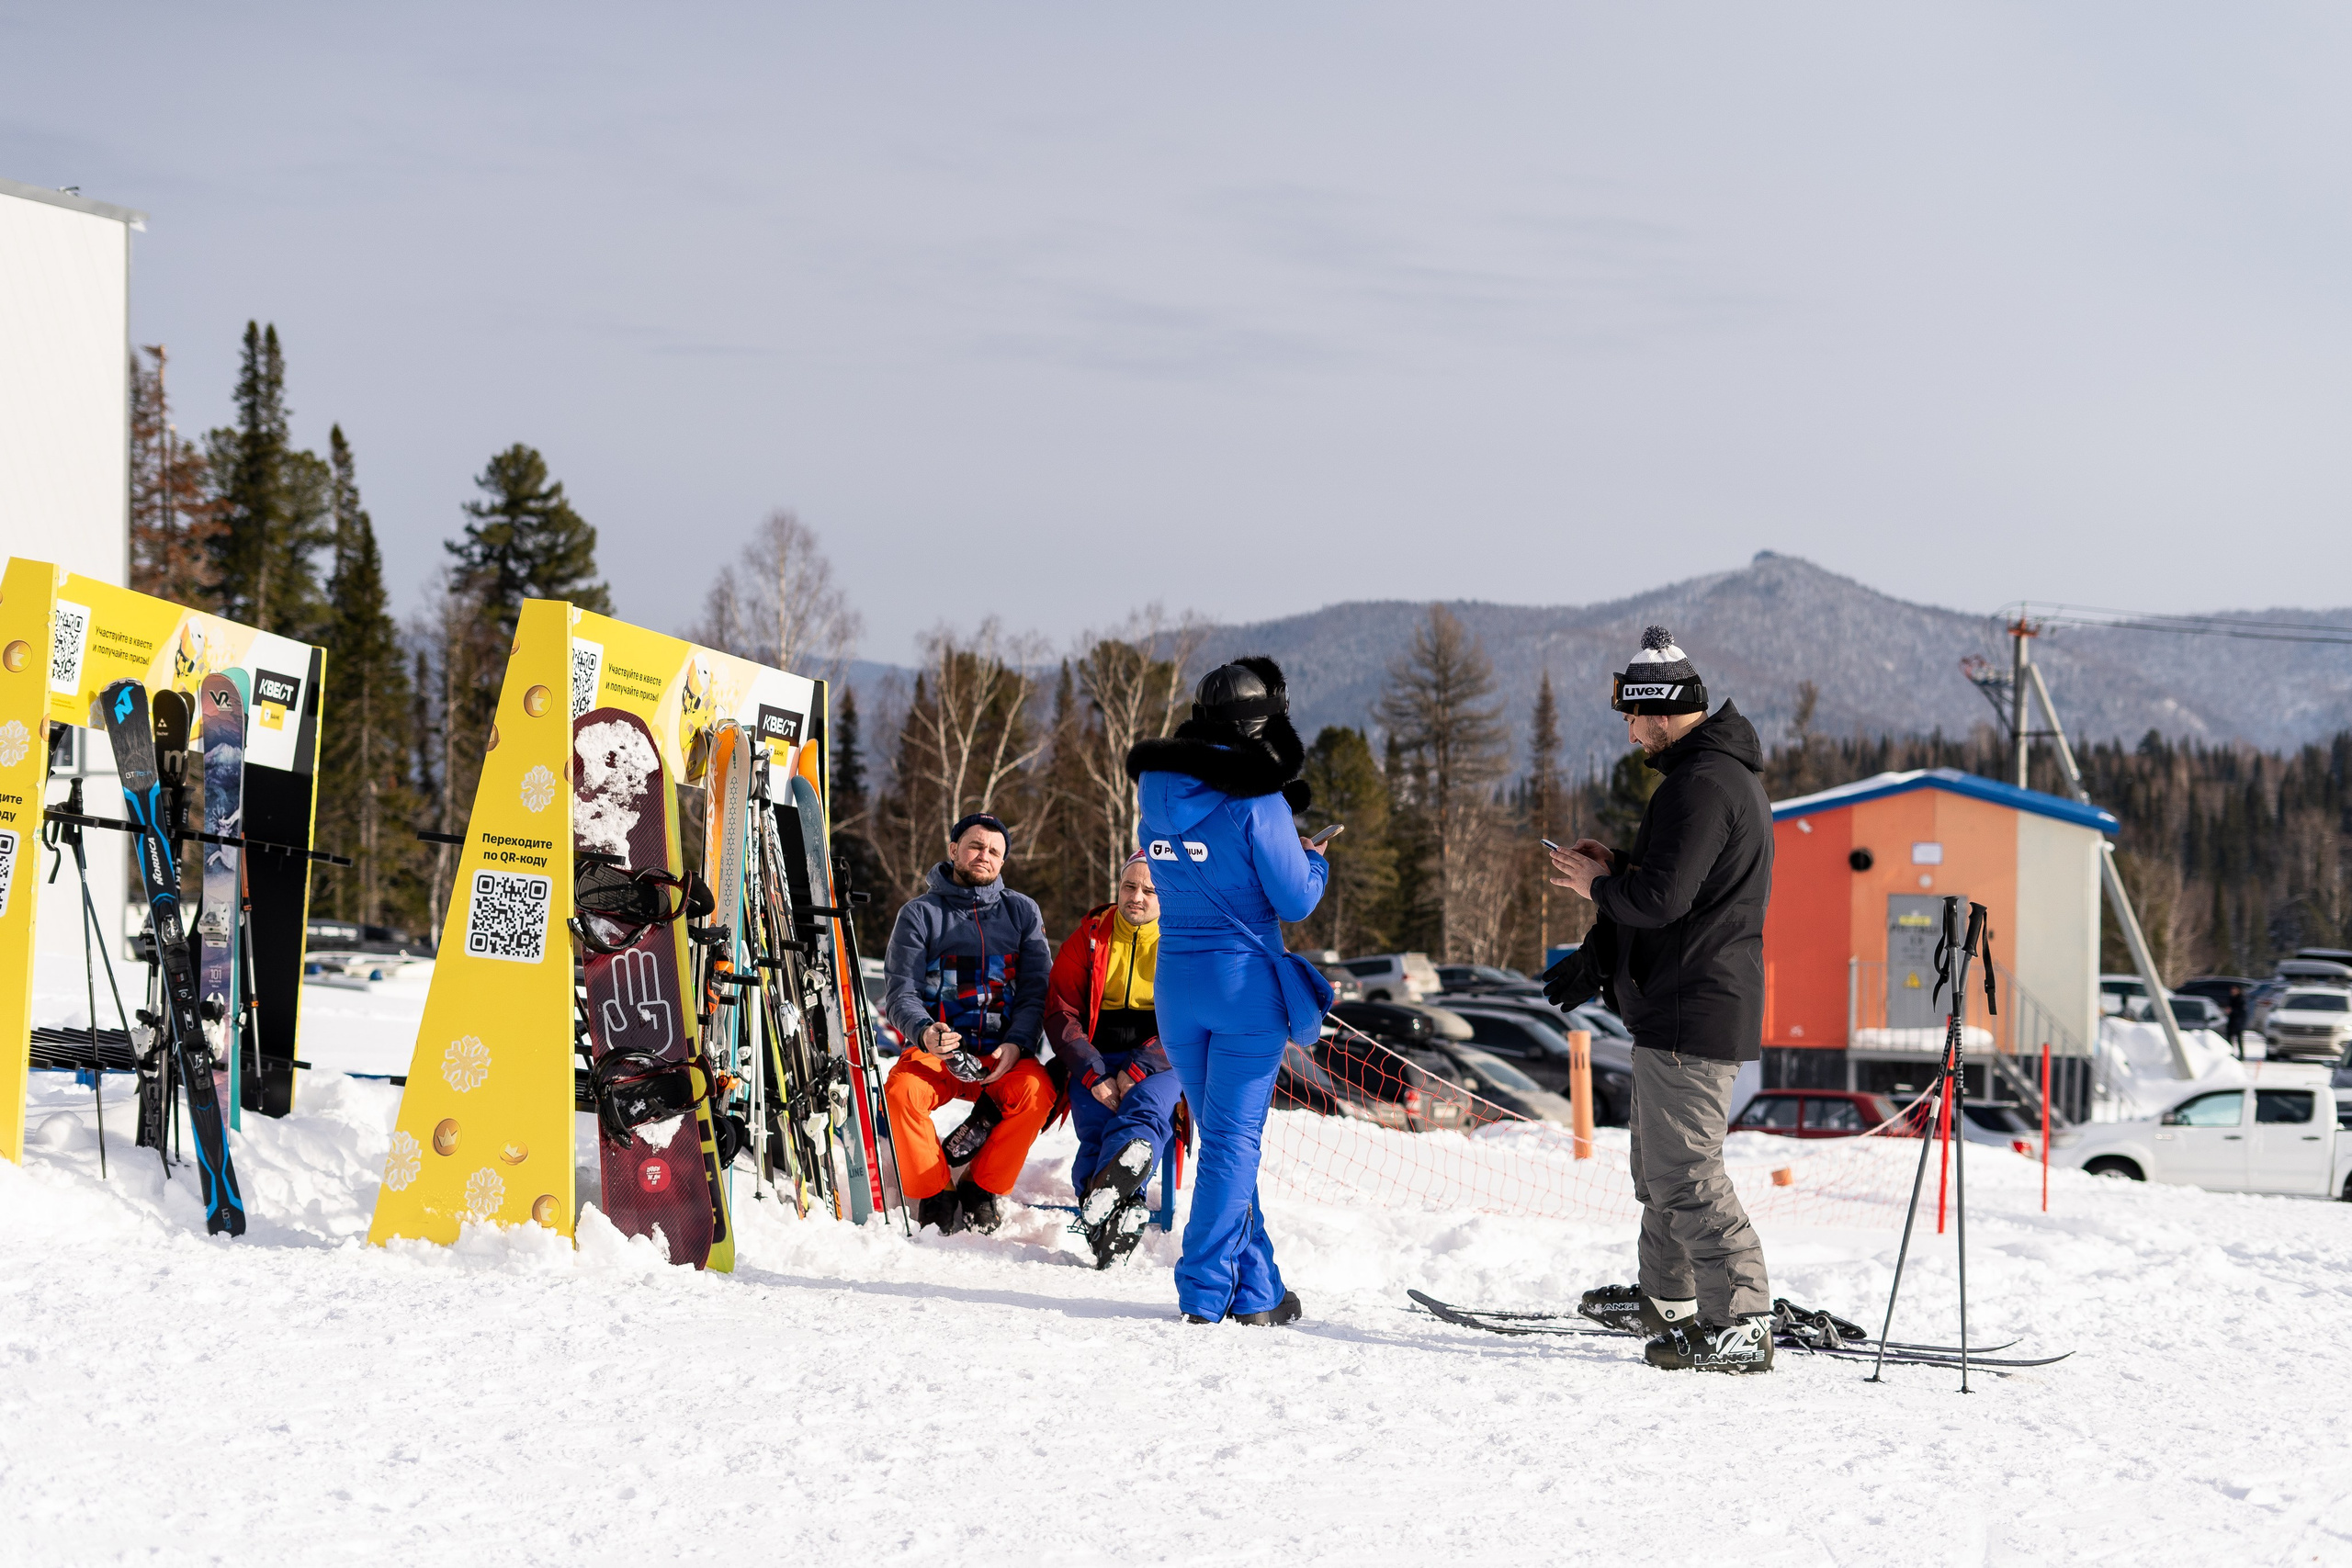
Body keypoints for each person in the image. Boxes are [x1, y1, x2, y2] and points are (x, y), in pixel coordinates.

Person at [1543, 626, 1776, 1374]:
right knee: (1659, 1170)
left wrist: (1597, 887)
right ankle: (1668, 1300)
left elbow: (1663, 899)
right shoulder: (1702, 778)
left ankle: (1741, 1319)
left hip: (1692, 1005)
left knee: (1686, 1173)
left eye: (1631, 717)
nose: (1629, 732)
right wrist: (1617, 868)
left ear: (1658, 711)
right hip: (1677, 1003)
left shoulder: (1703, 783)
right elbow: (1674, 882)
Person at [1126, 656, 1328, 1325]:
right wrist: (1317, 858)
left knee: (1220, 1142)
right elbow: (1294, 898)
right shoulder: (1256, 795)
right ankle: (1204, 1291)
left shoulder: (1155, 791)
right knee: (1233, 1143)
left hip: (1177, 984)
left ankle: (1259, 1288)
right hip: (1243, 985)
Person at [881, 812, 1055, 1235]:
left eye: (995, 851)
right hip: (940, 1049)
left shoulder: (1022, 912)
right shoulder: (919, 914)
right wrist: (925, 1031)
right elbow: (900, 991)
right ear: (954, 849)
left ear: (1002, 863)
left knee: (1038, 1093)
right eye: (976, 846)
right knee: (902, 1091)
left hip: (1000, 1055)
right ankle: (935, 1190)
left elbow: (1037, 992)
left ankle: (980, 1186)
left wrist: (1018, 1043)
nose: (985, 855)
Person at [1043, 850, 1181, 1269]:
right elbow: (1060, 1010)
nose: (1137, 897)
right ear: (1118, 887)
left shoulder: (1181, 939)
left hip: (1163, 1057)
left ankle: (1100, 1202)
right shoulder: (1091, 935)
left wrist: (1137, 1069)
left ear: (1166, 897)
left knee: (1145, 1107)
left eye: (1150, 890)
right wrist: (1093, 1072)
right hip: (1096, 1057)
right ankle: (1120, 1210)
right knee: (1096, 1120)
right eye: (1129, 886)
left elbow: (1189, 1017)